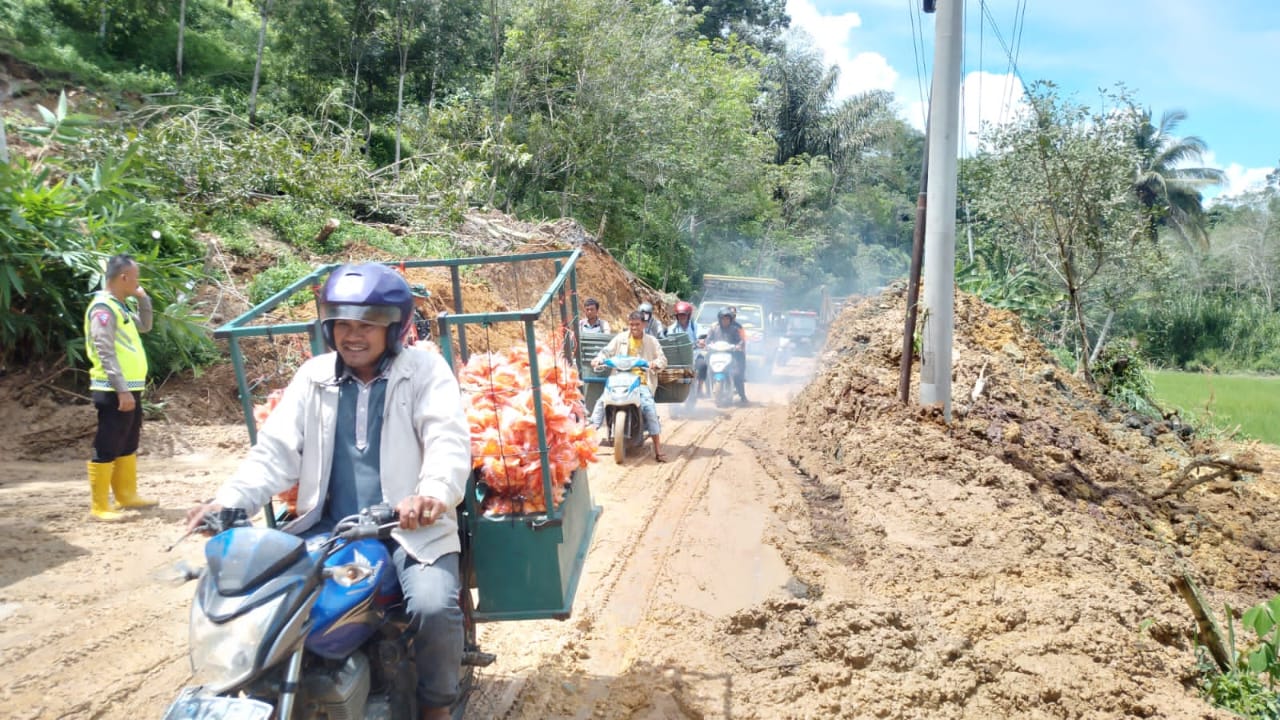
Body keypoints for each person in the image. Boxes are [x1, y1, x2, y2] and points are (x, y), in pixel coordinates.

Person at [184, 263, 472, 720]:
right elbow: (274, 452)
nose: (352, 336)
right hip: (328, 529)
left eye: (366, 326)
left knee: (433, 607)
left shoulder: (425, 371)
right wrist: (231, 499)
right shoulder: (314, 376)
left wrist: (431, 493)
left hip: (407, 531)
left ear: (394, 328)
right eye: (342, 324)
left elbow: (447, 441)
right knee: (266, 606)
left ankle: (436, 708)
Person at [85, 253, 158, 521]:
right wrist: (121, 390)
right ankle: (100, 505)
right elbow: (104, 350)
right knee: (108, 441)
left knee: (128, 440)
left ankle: (126, 495)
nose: (138, 282)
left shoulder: (120, 306)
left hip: (130, 388)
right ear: (124, 277)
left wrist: (142, 298)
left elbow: (146, 327)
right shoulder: (103, 308)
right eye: (136, 278)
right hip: (113, 389)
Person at [589, 311, 669, 462]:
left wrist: (654, 363)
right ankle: (587, 443)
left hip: (641, 382)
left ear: (643, 325)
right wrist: (599, 359)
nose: (634, 328)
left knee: (649, 408)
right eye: (631, 325)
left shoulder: (651, 341)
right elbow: (606, 351)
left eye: (637, 324)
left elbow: (662, 359)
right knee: (600, 403)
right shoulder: (620, 338)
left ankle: (658, 449)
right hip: (618, 380)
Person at [705, 307, 748, 404]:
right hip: (716, 354)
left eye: (727, 319)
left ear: (731, 319)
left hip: (732, 354)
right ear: (720, 319)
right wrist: (707, 345)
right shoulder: (714, 328)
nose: (725, 321)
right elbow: (708, 339)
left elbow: (741, 340)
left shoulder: (736, 328)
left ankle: (742, 395)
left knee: (737, 374)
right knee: (706, 368)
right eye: (723, 319)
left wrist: (738, 346)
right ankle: (708, 392)